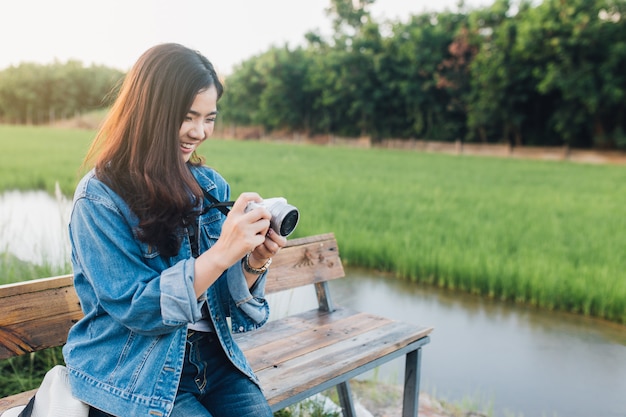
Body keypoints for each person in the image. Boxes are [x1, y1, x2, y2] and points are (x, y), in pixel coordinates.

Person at [63, 43, 286, 417]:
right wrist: (220, 253)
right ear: (151, 112)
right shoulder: (98, 198)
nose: (199, 131)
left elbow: (227, 306)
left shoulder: (210, 186)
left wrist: (252, 264)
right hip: (133, 368)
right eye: (187, 116)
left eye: (209, 118)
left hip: (214, 358)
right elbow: (139, 310)